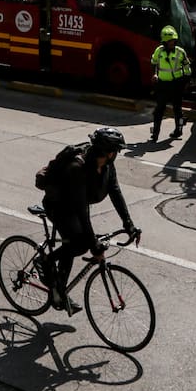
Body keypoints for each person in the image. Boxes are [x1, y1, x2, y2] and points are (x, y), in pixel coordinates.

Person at [40, 127, 139, 313]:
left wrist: (129, 224)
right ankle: (45, 261)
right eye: (116, 151)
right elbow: (80, 211)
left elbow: (115, 192)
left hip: (77, 206)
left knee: (80, 241)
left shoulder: (107, 166)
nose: (116, 154)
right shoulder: (77, 168)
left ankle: (58, 291)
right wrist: (93, 243)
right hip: (59, 206)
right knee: (78, 243)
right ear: (110, 152)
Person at [149, 25, 192, 142]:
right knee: (159, 110)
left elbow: (187, 66)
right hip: (162, 84)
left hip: (176, 84)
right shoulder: (159, 51)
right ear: (164, 42)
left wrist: (186, 80)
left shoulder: (180, 52)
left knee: (177, 109)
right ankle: (155, 134)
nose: (172, 43)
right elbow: (154, 63)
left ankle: (179, 130)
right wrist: (154, 74)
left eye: (174, 41)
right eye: (170, 41)